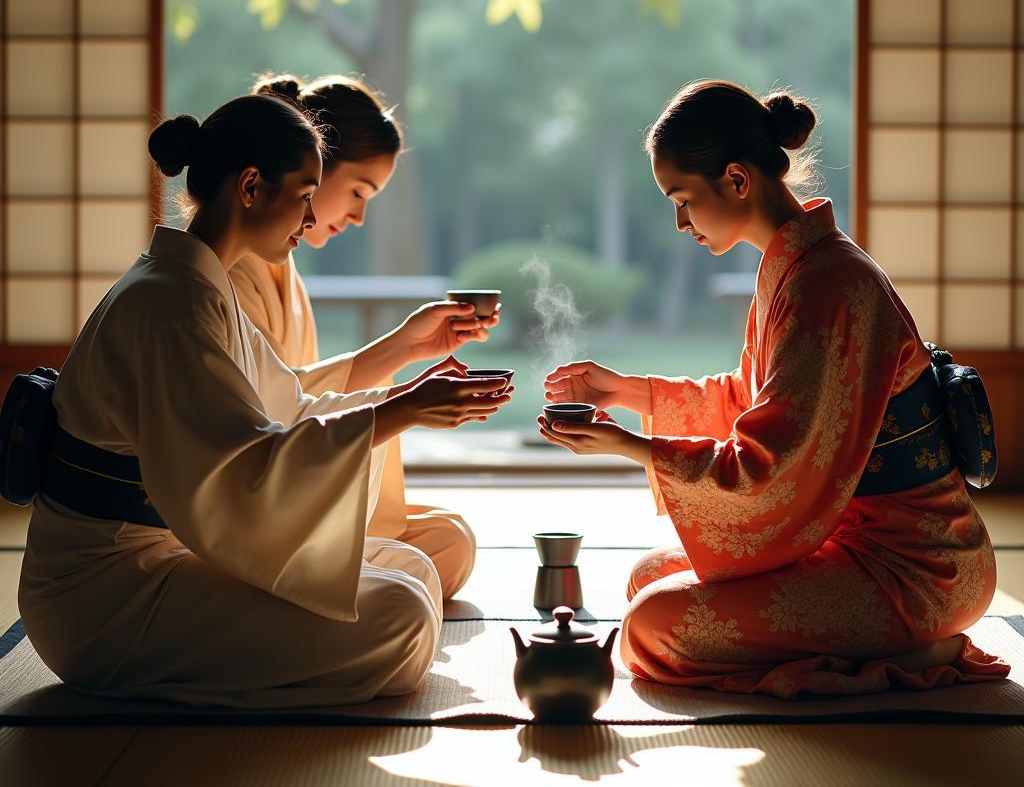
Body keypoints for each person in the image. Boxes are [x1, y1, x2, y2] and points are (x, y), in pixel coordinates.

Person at [17, 93, 510, 708]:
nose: (310, 220)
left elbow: (290, 405)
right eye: (305, 196)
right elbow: (239, 470)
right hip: (109, 594)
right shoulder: (173, 304)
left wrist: (404, 399)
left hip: (168, 551)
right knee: (402, 615)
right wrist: (397, 413)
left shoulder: (198, 286)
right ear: (250, 187)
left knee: (414, 570)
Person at [539, 79, 1008, 697]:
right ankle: (891, 650)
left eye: (682, 198)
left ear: (736, 180)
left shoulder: (828, 283)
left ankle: (915, 652)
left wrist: (629, 447)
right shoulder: (795, 266)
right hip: (848, 541)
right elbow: (750, 402)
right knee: (646, 578)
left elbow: (771, 462)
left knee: (651, 629)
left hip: (915, 568)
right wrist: (629, 391)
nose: (679, 221)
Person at [229, 74, 489, 600]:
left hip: (294, 478)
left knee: (452, 537)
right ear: (313, 165)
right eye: (357, 192)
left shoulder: (283, 266)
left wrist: (410, 351)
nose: (359, 215)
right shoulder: (232, 272)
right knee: (415, 578)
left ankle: (365, 566)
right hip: (251, 498)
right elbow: (272, 410)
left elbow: (299, 396)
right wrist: (403, 388)